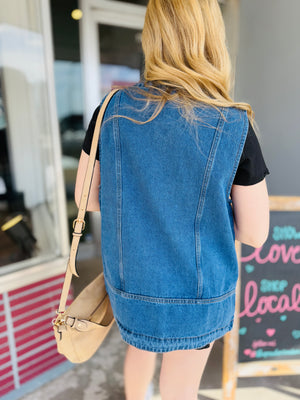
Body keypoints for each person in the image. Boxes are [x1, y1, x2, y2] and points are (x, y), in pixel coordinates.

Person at [75, 0, 270, 399]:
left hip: (132, 284)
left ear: (153, 36)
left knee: (138, 349)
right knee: (179, 390)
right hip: (197, 294)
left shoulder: (111, 110)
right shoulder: (233, 123)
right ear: (211, 37)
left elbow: (86, 199)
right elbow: (255, 233)